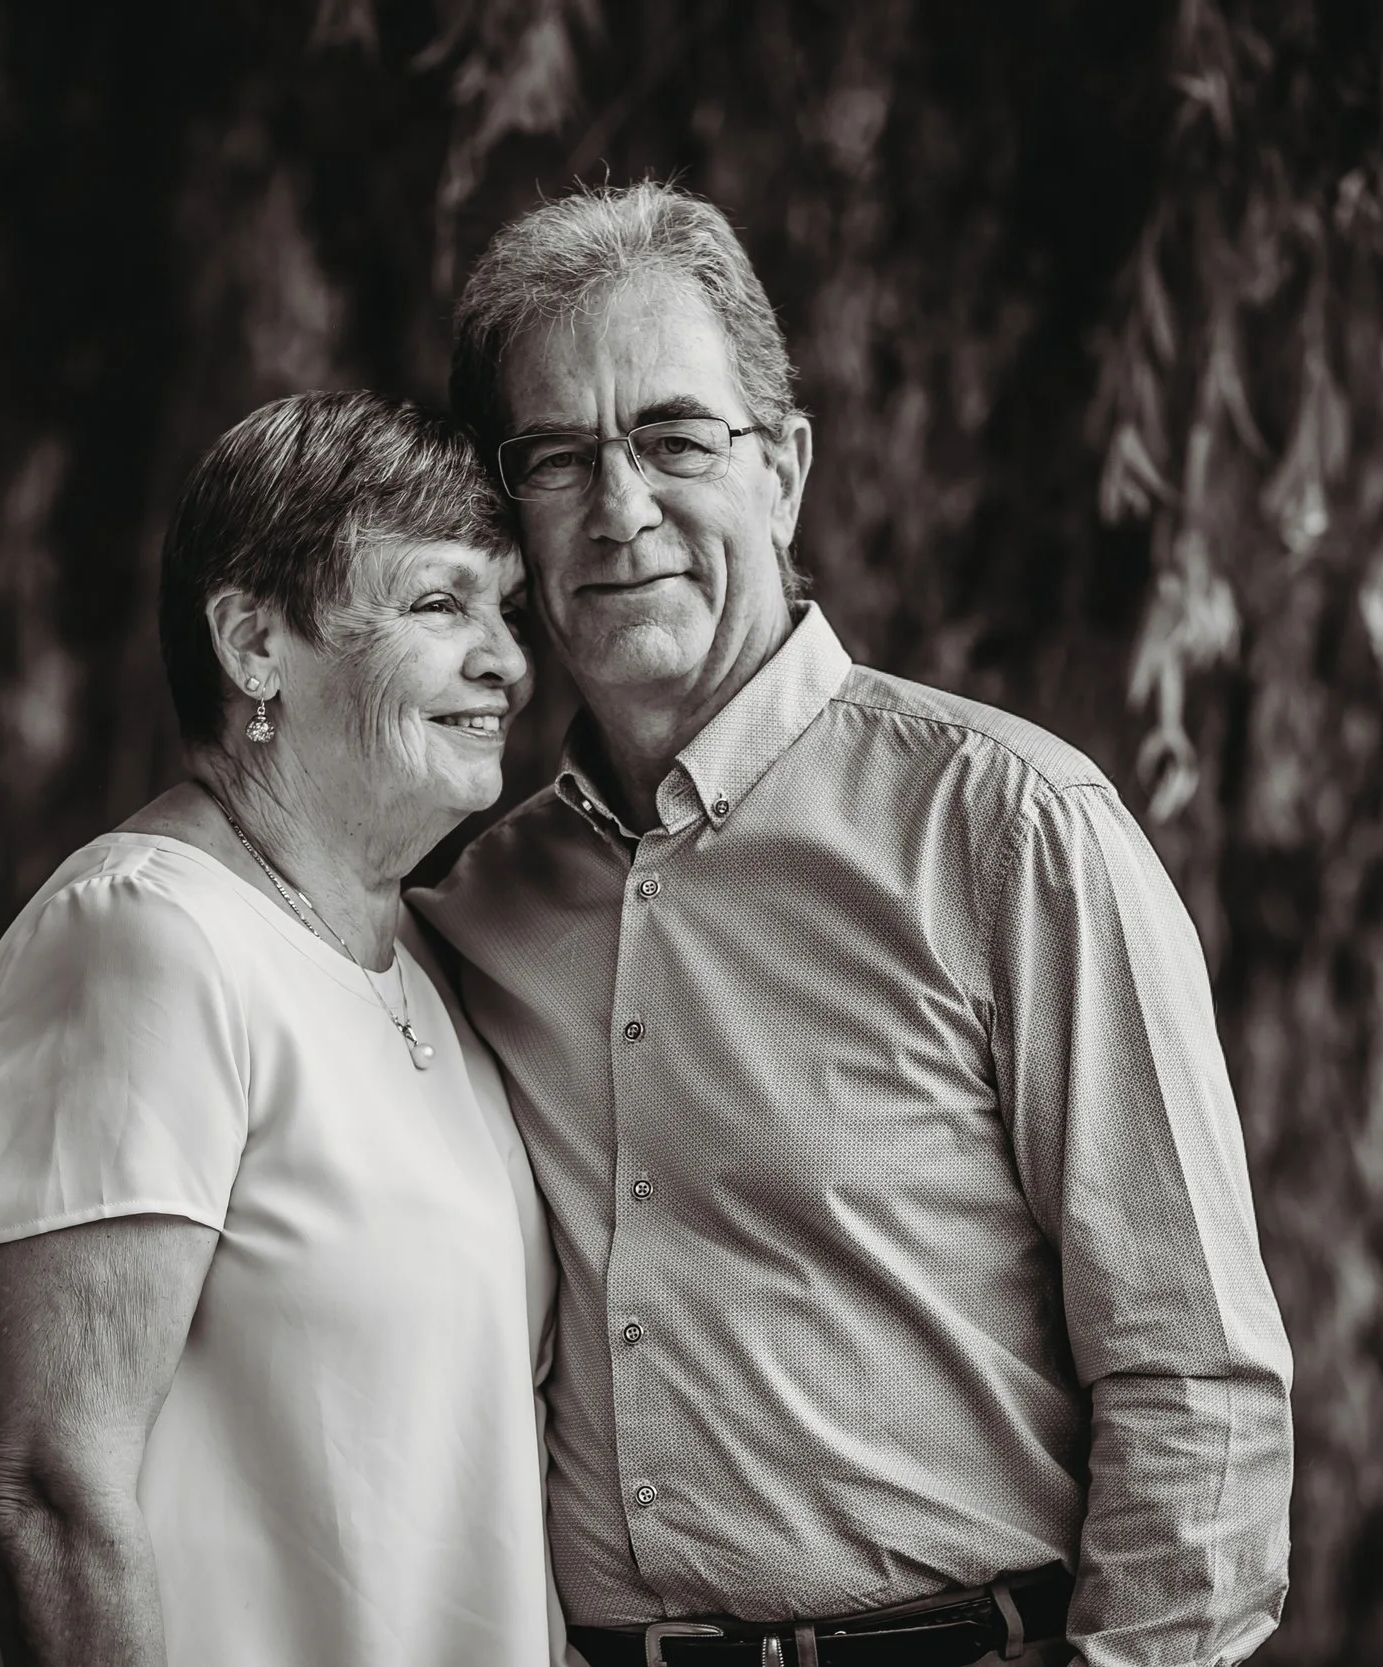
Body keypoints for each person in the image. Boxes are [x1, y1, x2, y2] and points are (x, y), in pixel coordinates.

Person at [412, 182, 1295, 1667]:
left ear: (786, 474)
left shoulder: (1011, 832)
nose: (620, 507)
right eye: (556, 459)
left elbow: (1196, 1381)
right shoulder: (471, 909)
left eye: (676, 438)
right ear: (506, 523)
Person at [0, 390, 566, 1667]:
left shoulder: (416, 959)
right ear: (255, 642)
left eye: (509, 610)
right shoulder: (148, 935)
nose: (507, 661)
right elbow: (53, 1492)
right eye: (439, 602)